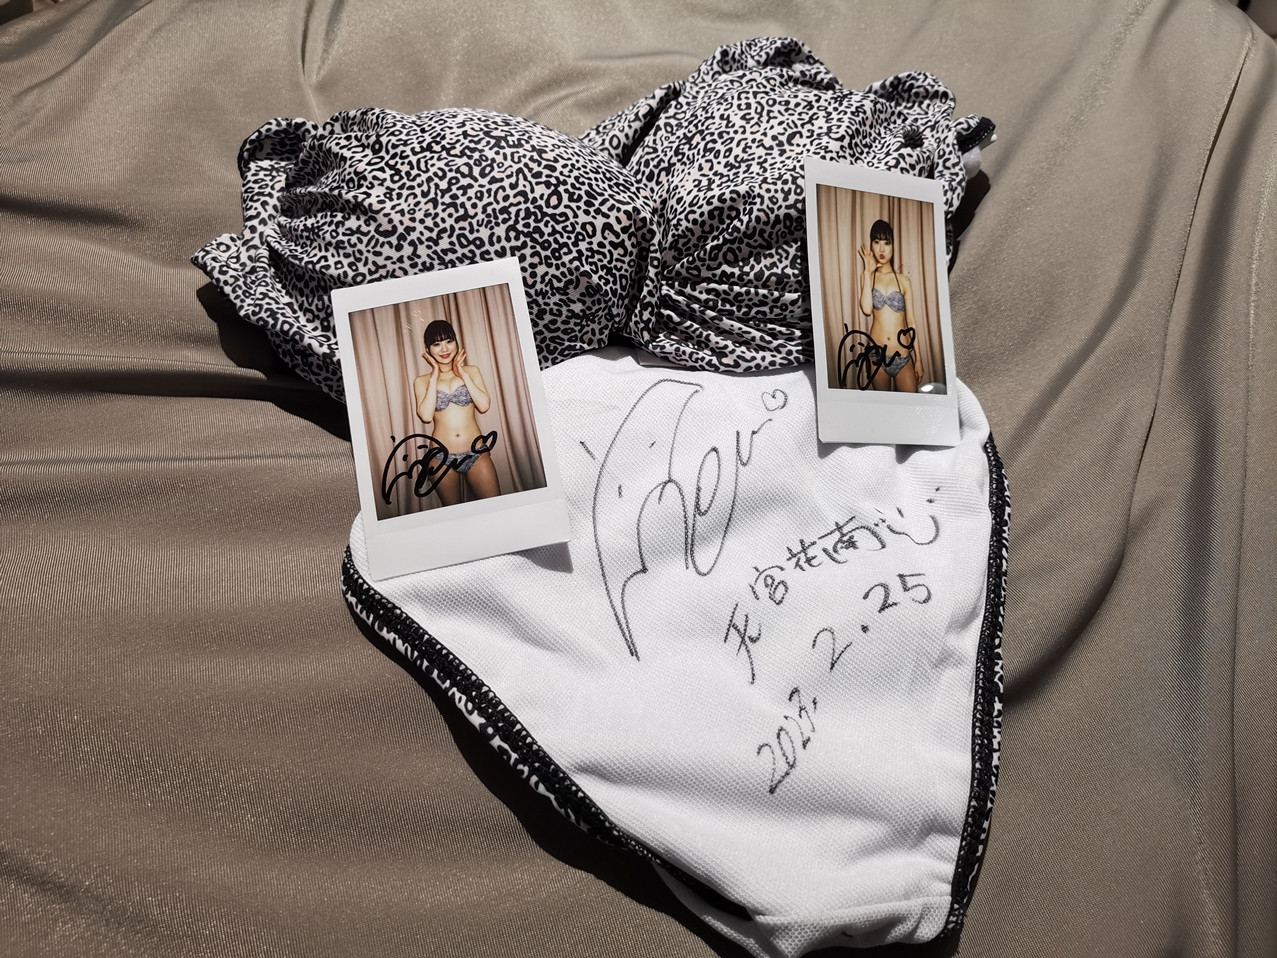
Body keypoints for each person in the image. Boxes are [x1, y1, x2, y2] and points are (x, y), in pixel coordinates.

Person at [413, 319, 501, 505]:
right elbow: (426, 416)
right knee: (454, 512)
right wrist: (434, 375)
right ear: (428, 350)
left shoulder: (471, 371)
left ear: (456, 342)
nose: (444, 349)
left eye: (449, 341)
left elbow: (484, 406)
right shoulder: (422, 381)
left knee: (494, 507)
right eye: (437, 344)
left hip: (476, 453)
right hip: (440, 457)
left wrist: (463, 374)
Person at [857, 219, 924, 392]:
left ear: (893, 246)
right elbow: (866, 309)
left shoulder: (903, 281)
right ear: (871, 245)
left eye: (886, 243)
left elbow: (911, 322)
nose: (881, 249)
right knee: (883, 406)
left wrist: (919, 359)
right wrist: (867, 271)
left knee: (909, 405)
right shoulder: (867, 277)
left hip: (902, 356)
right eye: (876, 242)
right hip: (876, 356)